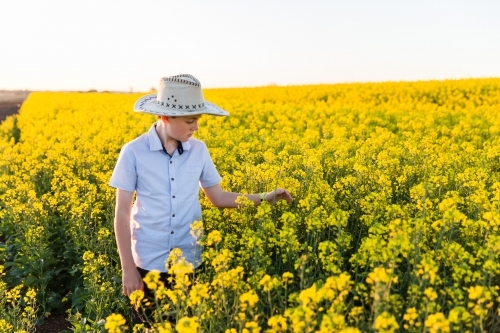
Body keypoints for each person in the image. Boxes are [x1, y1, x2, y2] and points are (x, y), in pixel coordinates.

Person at [109, 74, 293, 325]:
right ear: (165, 116)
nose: (196, 126)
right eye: (190, 120)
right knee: (148, 325)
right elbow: (122, 213)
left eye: (197, 119)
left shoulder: (199, 150)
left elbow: (218, 197)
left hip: (189, 259)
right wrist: (128, 268)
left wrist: (264, 198)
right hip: (148, 262)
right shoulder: (133, 152)